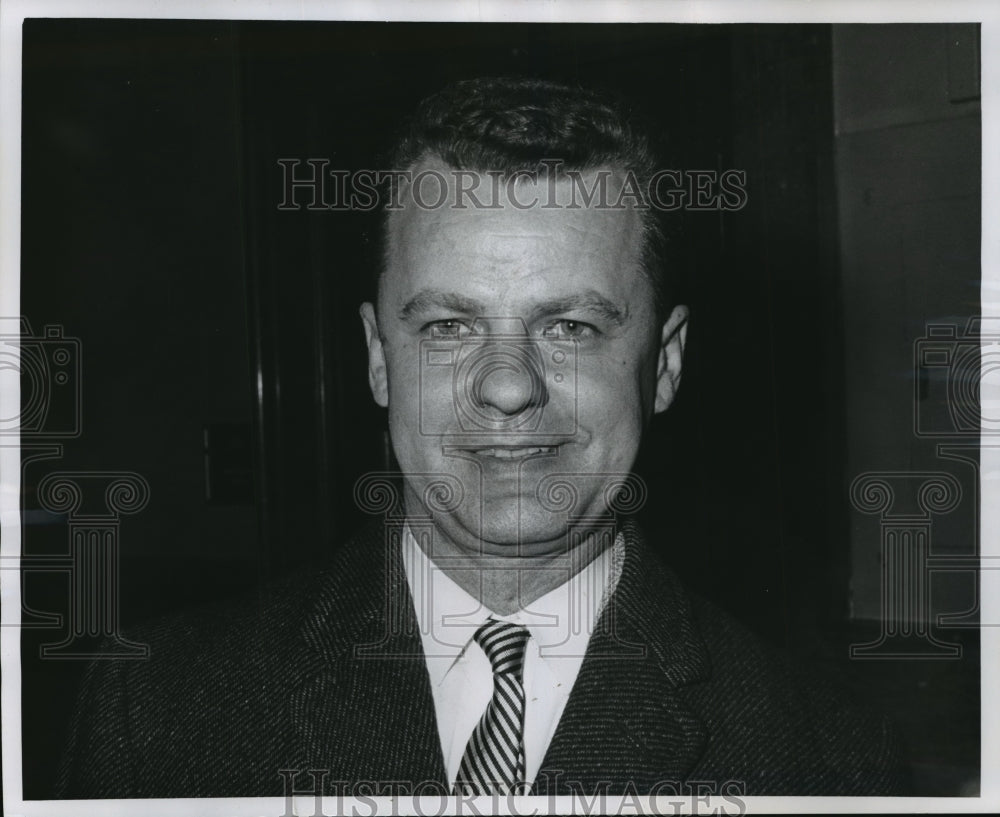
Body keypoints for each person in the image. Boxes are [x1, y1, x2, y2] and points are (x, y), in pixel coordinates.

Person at [56, 76, 907, 800]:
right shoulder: (159, 709)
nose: (507, 385)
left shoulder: (830, 759)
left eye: (571, 326)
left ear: (665, 363)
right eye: (449, 327)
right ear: (378, 358)